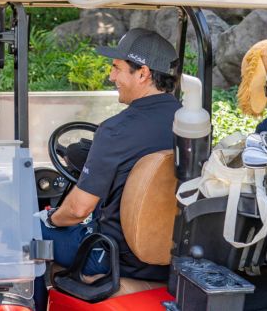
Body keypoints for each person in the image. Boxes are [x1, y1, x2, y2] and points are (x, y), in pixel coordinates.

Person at [33, 28, 181, 309]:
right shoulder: (189, 126)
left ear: (143, 74)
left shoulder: (116, 131)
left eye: (117, 68)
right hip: (170, 258)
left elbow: (79, 209)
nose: (111, 77)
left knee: (24, 231)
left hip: (112, 256)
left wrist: (50, 220)